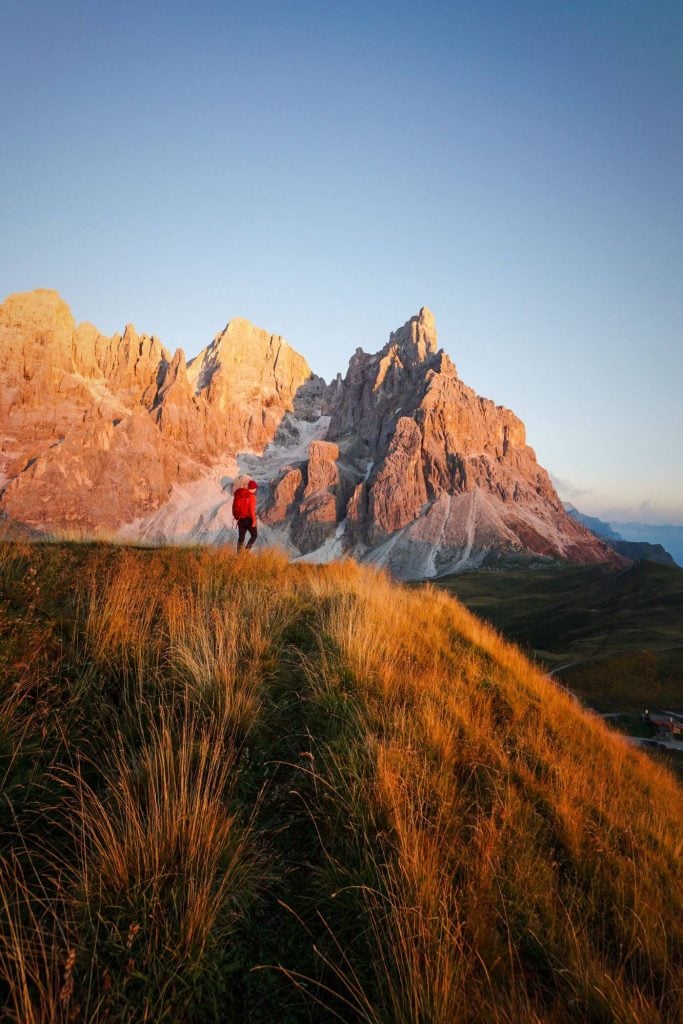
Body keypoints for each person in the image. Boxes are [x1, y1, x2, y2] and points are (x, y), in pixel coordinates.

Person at [232, 479, 258, 551]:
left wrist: (236, 516)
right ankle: (246, 552)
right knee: (254, 535)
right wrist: (254, 521)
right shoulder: (252, 497)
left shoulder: (240, 495)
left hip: (240, 519)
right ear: (254, 488)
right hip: (248, 519)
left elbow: (233, 506)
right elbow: (252, 510)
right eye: (255, 488)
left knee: (241, 537)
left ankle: (239, 555)